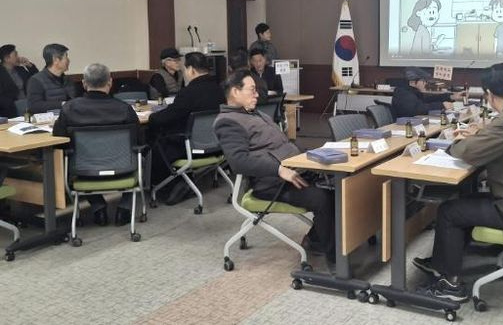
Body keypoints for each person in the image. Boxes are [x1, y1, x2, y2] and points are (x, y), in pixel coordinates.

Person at [413, 63, 503, 301]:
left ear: (489, 95)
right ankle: (445, 262)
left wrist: (455, 144)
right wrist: (482, 137)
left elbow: (469, 152)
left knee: (450, 211)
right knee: (466, 200)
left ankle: (450, 286)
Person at [213, 70, 335, 261]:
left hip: (294, 172)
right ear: (235, 92)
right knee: (322, 197)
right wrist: (279, 169)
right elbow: (239, 161)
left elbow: (284, 145)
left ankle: (317, 241)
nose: (257, 95)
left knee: (337, 186)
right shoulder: (227, 122)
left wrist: (310, 157)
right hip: (271, 183)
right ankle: (335, 260)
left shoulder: (256, 114)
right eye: (252, 90)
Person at [53, 63, 140, 226]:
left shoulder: (69, 109)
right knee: (142, 154)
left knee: (69, 158)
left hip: (84, 170)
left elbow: (58, 140)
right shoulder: (124, 109)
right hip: (123, 168)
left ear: (84, 83)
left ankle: (98, 207)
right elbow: (139, 141)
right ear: (110, 82)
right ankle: (124, 207)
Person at [148, 52, 224, 189]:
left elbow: (169, 116)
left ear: (191, 70)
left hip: (190, 146)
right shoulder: (219, 90)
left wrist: (152, 117)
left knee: (156, 139)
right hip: (215, 145)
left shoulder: (189, 93)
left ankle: (164, 186)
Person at [391, 67, 461, 118]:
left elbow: (427, 100)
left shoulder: (412, 91)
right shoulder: (403, 93)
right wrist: (441, 105)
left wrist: (451, 97)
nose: (425, 83)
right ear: (412, 82)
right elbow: (417, 109)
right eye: (423, 81)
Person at [26, 43, 76, 113]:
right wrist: (62, 104)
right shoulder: (36, 80)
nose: (68, 60)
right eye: (66, 57)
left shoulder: (67, 79)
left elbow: (74, 100)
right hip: (47, 118)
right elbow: (34, 106)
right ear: (55, 60)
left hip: (68, 116)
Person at [0, 44, 38, 117]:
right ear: (7, 58)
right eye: (15, 55)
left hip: (28, 103)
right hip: (10, 108)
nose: (18, 57)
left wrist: (29, 65)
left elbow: (37, 79)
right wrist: (14, 104)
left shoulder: (20, 69)